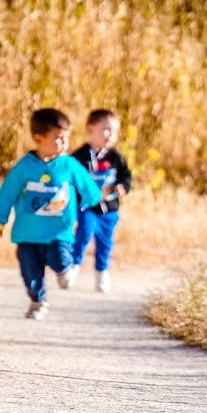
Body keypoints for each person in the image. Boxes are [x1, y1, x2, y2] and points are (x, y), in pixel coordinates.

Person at [0, 109, 101, 320]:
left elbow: (88, 187)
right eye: (58, 138)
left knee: (59, 258)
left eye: (66, 138)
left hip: (59, 232)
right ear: (38, 139)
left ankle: (65, 269)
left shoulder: (68, 164)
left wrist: (89, 200)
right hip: (27, 234)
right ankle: (37, 302)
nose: (64, 143)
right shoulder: (24, 167)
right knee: (30, 271)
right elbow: (7, 194)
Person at [69, 109, 132, 293]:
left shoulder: (115, 157)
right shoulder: (79, 156)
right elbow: (70, 178)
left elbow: (125, 176)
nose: (110, 135)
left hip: (109, 208)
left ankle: (101, 272)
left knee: (105, 242)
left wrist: (123, 186)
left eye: (113, 132)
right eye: (105, 130)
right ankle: (73, 266)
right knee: (84, 233)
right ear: (90, 129)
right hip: (87, 206)